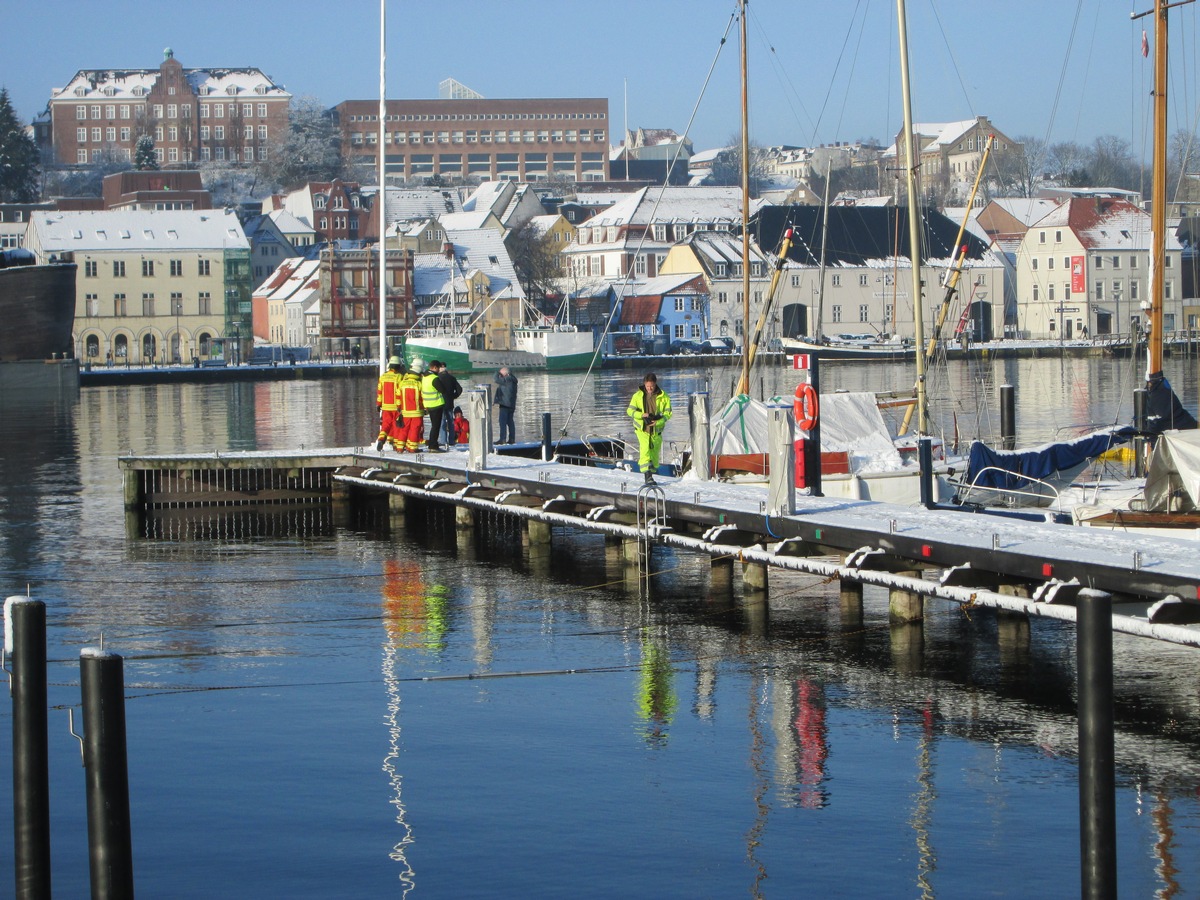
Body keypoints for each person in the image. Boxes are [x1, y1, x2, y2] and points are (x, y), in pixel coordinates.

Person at [626, 372, 672, 483]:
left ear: (655, 384)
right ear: (644, 385)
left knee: (654, 454)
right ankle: (647, 476)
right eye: (647, 386)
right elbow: (629, 411)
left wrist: (658, 422)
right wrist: (642, 415)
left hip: (656, 430)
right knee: (645, 450)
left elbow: (668, 414)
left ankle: (651, 473)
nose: (649, 388)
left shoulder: (664, 396)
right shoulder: (637, 396)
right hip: (642, 429)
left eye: (651, 386)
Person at [375, 356, 407, 452]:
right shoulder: (399, 377)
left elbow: (379, 391)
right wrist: (400, 406)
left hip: (385, 406)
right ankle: (396, 445)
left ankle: (381, 439)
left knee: (385, 425)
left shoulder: (383, 377)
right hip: (396, 407)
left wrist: (378, 404)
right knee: (396, 426)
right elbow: (400, 392)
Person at [396, 357, 426, 452]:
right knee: (415, 429)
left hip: (405, 411)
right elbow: (423, 398)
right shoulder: (419, 384)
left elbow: (398, 397)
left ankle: (399, 447)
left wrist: (399, 407)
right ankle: (412, 448)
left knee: (404, 429)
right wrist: (426, 409)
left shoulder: (402, 383)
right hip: (417, 412)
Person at [421, 359, 448, 451]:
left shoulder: (424, 377)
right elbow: (443, 389)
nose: (439, 370)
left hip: (428, 405)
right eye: (439, 368)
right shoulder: (434, 378)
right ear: (435, 368)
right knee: (436, 426)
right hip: (436, 404)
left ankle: (433, 443)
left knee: (434, 425)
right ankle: (433, 445)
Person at [434, 362, 463, 447]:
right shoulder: (452, 378)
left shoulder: (437, 378)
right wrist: (453, 396)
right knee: (451, 422)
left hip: (440, 403)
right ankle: (451, 441)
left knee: (442, 422)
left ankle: (443, 441)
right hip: (450, 403)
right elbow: (460, 389)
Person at [494, 366, 518, 444]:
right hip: (511, 404)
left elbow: (496, 379)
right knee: (510, 422)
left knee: (502, 422)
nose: (501, 376)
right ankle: (512, 439)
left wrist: (497, 372)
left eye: (502, 374)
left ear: (506, 374)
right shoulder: (513, 379)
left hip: (505, 404)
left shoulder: (507, 379)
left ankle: (502, 439)